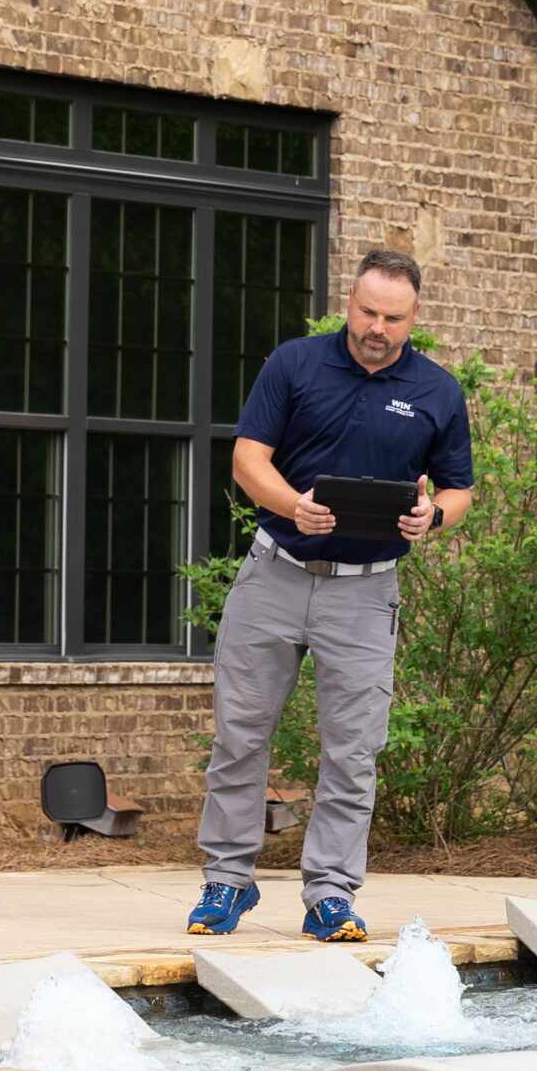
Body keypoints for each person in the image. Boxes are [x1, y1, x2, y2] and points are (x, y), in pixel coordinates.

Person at [185, 248, 474, 941]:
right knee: (241, 735)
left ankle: (330, 896)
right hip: (275, 573)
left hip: (366, 593)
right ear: (349, 301)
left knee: (353, 751)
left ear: (414, 318)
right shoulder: (294, 364)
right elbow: (248, 458)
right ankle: (227, 882)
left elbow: (458, 490)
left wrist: (431, 517)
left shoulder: (438, 391)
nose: (377, 326)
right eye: (367, 311)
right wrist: (294, 505)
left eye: (393, 317)